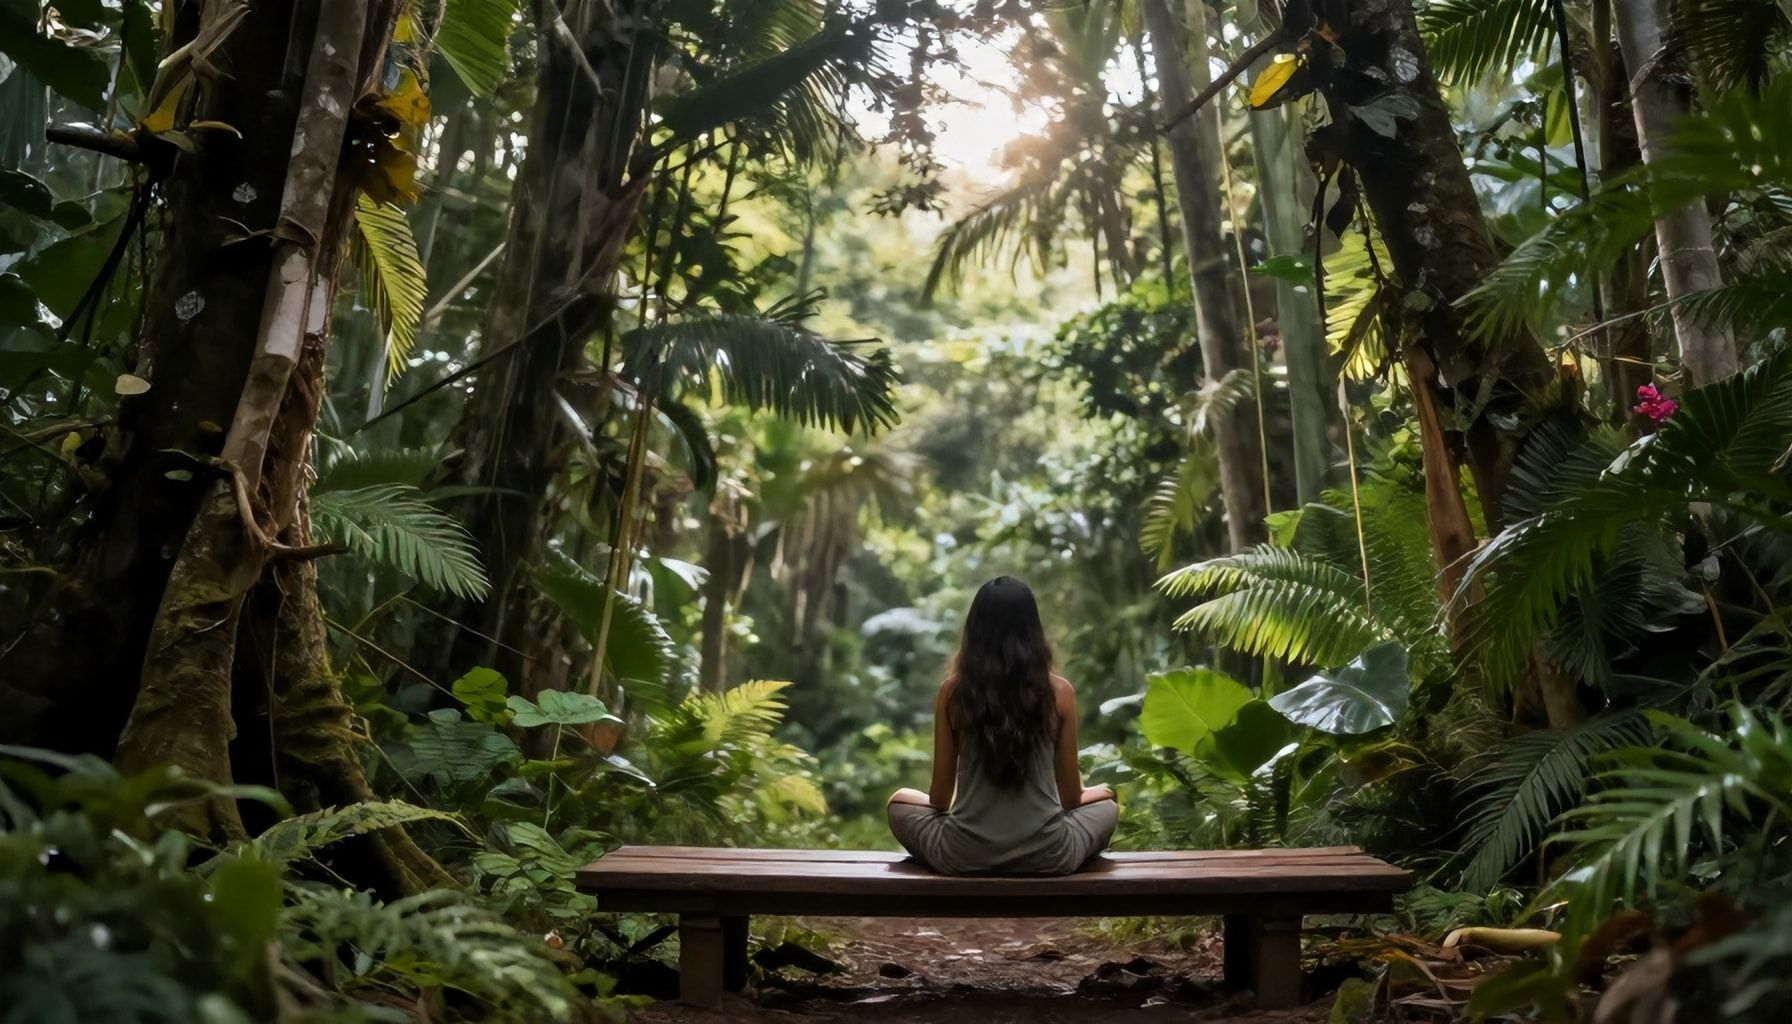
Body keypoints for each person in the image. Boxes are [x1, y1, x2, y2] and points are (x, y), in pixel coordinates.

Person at [886, 576, 1118, 875]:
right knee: (1107, 809)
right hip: (1050, 855)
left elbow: (940, 799)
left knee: (898, 806)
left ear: (974, 630)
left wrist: (900, 796)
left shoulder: (954, 692)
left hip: (963, 855)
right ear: (1033, 631)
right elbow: (1071, 799)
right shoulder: (1060, 693)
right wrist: (1107, 792)